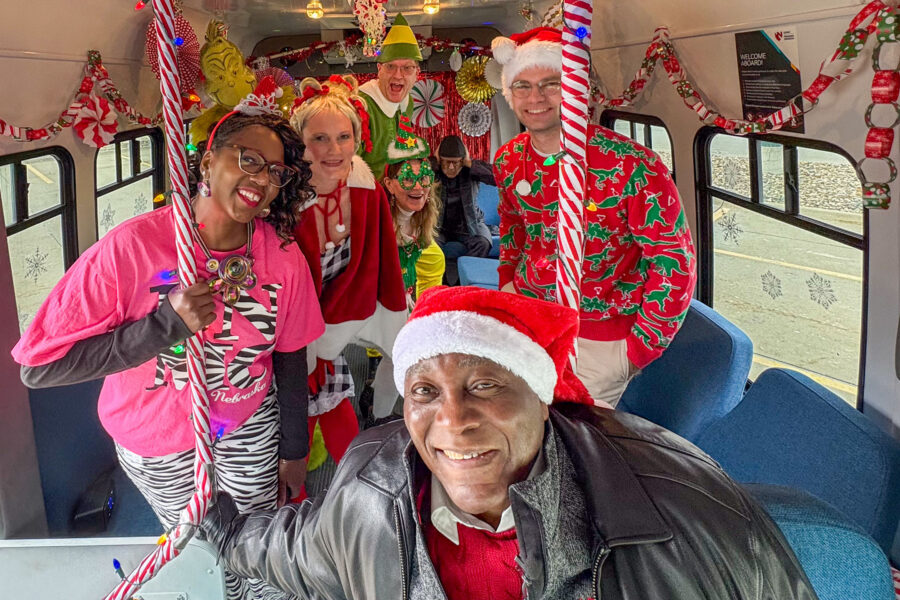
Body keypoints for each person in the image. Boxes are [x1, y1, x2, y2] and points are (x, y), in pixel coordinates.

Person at [200, 285, 816, 600]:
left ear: (541, 395)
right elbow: (306, 550)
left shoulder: (687, 511)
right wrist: (226, 531)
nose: (454, 420)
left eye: (484, 385)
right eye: (424, 392)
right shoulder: (372, 487)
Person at [12, 81, 325, 600]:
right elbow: (41, 367)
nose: (262, 179)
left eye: (274, 172)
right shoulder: (130, 250)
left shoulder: (282, 254)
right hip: (157, 441)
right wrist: (163, 327)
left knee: (259, 542)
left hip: (250, 421)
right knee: (201, 548)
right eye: (248, 159)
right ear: (206, 161)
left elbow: (290, 355)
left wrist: (293, 451)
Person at [491, 27, 696, 407]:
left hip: (601, 342)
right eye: (522, 85)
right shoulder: (508, 160)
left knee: (577, 451)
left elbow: (674, 262)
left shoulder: (634, 166)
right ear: (509, 93)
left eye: (551, 83)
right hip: (528, 321)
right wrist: (508, 287)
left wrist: (636, 349)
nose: (535, 98)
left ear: (575, 90)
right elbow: (513, 227)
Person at [290, 75, 408, 468]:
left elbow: (385, 256)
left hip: (340, 314)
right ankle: (293, 500)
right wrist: (305, 339)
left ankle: (350, 491)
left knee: (333, 394)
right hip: (289, 326)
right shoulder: (282, 199)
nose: (334, 150)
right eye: (319, 139)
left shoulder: (367, 190)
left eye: (344, 137)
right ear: (300, 142)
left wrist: (395, 317)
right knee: (296, 414)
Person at [357, 13, 428, 178]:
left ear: (417, 73)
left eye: (407, 68)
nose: (398, 75)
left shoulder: (407, 102)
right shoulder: (360, 105)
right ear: (379, 70)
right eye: (390, 67)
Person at [383, 137, 445, 309]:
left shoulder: (421, 220)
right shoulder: (380, 225)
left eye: (424, 178)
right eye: (408, 179)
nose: (418, 187)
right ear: (389, 184)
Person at [432, 135, 495, 285]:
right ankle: (442, 284)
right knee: (429, 245)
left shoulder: (471, 169)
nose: (452, 167)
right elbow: (419, 172)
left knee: (483, 243)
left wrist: (469, 164)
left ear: (463, 160)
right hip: (439, 226)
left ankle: (462, 284)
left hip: (470, 225)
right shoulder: (433, 171)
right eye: (447, 162)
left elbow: (497, 177)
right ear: (440, 160)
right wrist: (434, 161)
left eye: (456, 162)